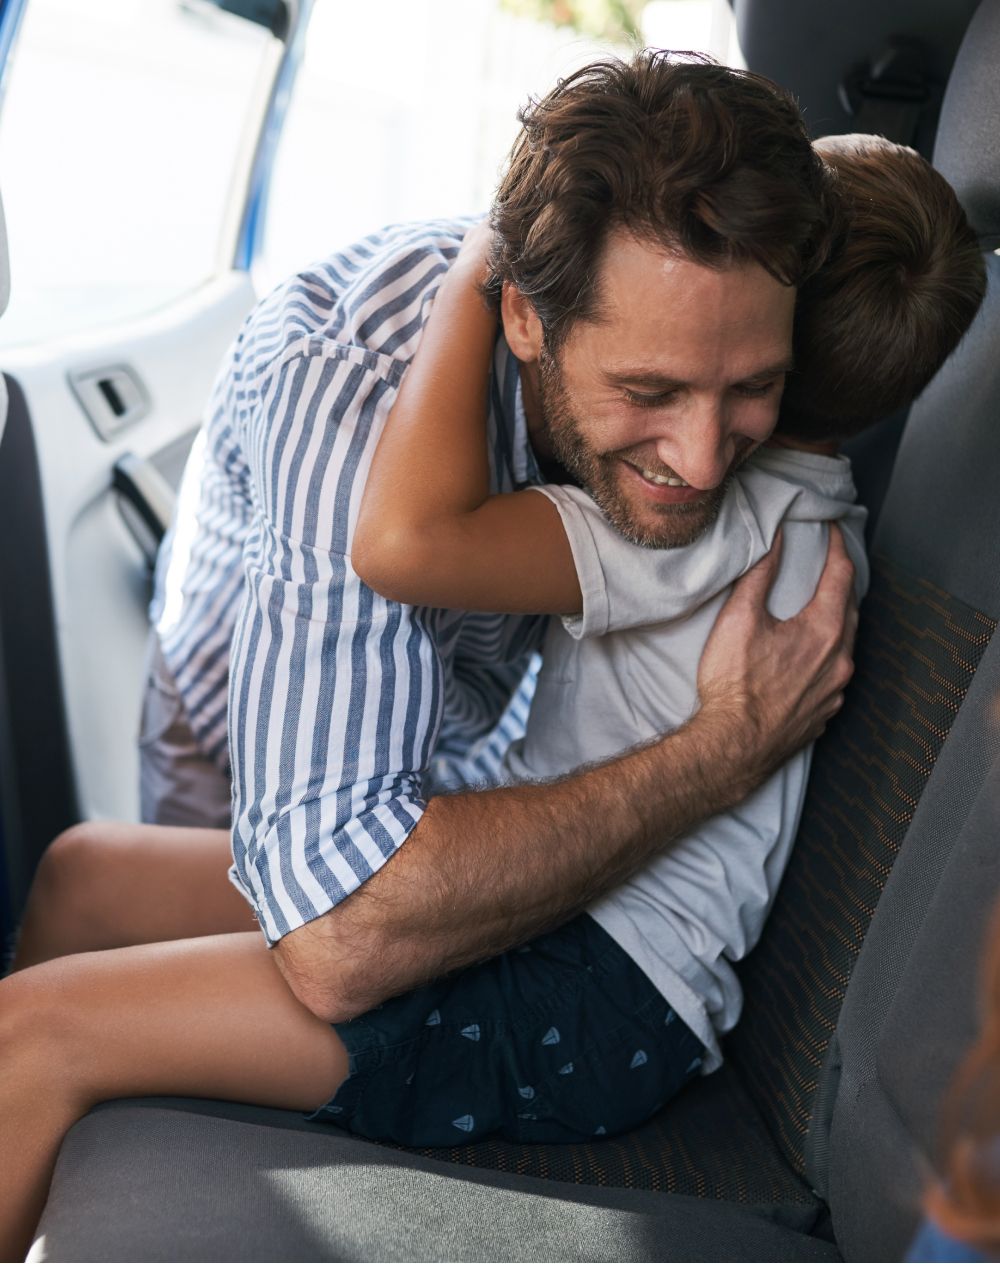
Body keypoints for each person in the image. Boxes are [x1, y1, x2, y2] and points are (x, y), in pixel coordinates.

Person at [0, 53, 858, 1260]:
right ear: (519, 312)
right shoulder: (354, 404)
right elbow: (342, 917)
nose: (707, 460)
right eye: (649, 390)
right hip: (351, 783)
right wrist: (717, 753)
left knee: (32, 1035)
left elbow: (345, 941)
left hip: (564, 954)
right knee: (84, 876)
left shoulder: (754, 494)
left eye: (751, 389)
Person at [351, 132, 985, 1081]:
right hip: (601, 963)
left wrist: (492, 257)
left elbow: (410, 545)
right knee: (93, 876)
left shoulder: (701, 518)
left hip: (589, 985)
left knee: (71, 1020)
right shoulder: (817, 510)